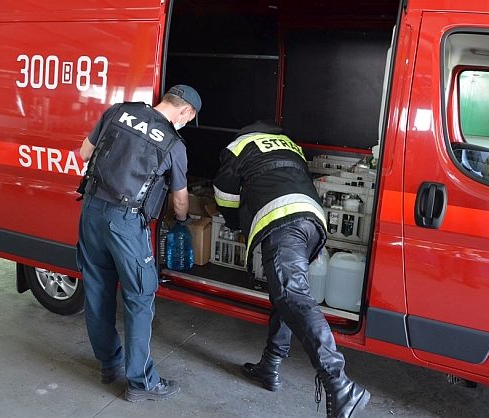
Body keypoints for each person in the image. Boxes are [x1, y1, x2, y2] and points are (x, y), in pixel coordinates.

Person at [213, 120, 370, 418]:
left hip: (283, 222)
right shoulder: (290, 144)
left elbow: (224, 194)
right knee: (284, 295)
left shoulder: (239, 146)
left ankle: (339, 383)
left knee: (291, 296)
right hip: (312, 222)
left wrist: (235, 225)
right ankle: (269, 366)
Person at [76, 85, 201, 402]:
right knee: (139, 298)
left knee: (97, 290)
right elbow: (180, 200)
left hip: (91, 211)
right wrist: (183, 220)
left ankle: (109, 365)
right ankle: (141, 383)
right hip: (126, 224)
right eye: (190, 117)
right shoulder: (174, 143)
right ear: (186, 112)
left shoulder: (118, 111)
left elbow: (84, 152)